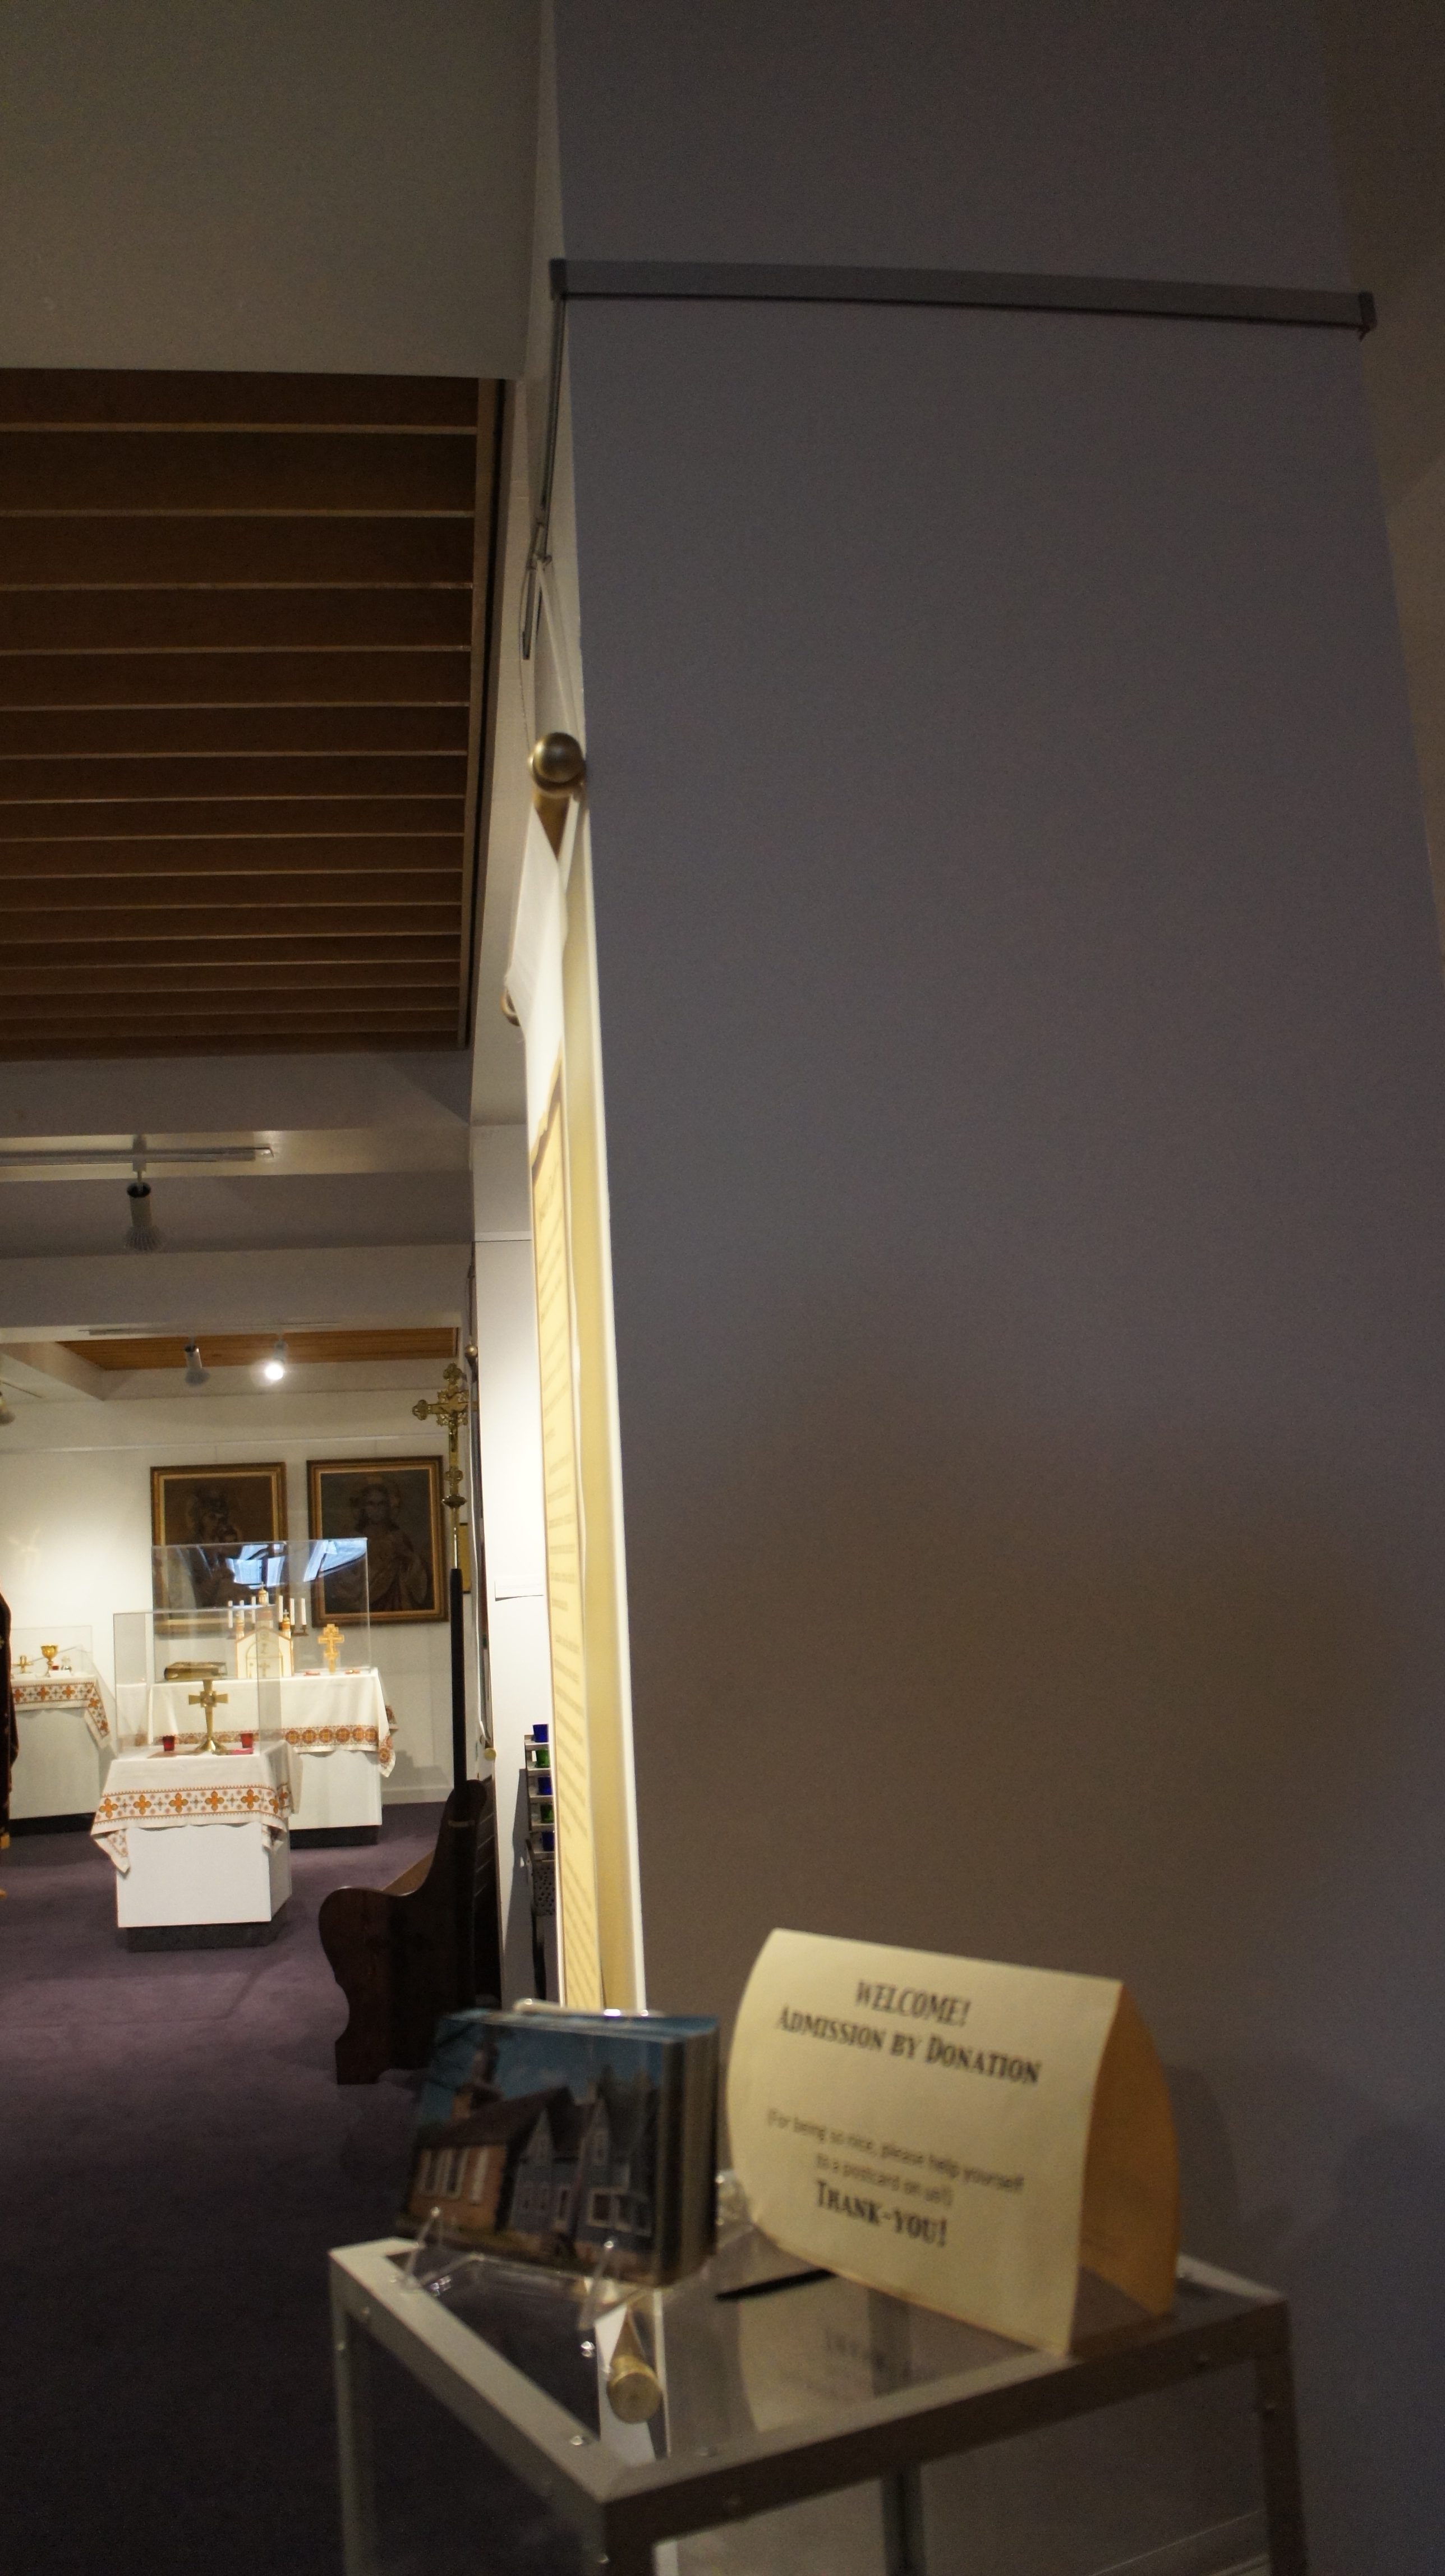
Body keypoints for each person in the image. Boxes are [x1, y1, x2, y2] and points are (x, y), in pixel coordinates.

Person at [329, 1475, 432, 1616]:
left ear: (389, 1507)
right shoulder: (353, 1539)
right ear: (363, 1507)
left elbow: (414, 1572)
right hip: (362, 1608)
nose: (376, 1509)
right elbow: (343, 1577)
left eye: (381, 1504)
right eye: (371, 1504)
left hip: (396, 1605)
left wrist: (407, 1557)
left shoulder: (399, 1538)